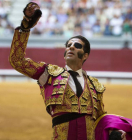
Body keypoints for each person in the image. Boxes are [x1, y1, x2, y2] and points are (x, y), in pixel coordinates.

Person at [9, 2, 106, 140]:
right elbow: (17, 61)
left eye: (77, 45)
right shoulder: (48, 74)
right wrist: (25, 29)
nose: (71, 47)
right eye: (68, 45)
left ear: (85, 55)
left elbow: (101, 121)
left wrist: (114, 133)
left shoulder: (95, 86)